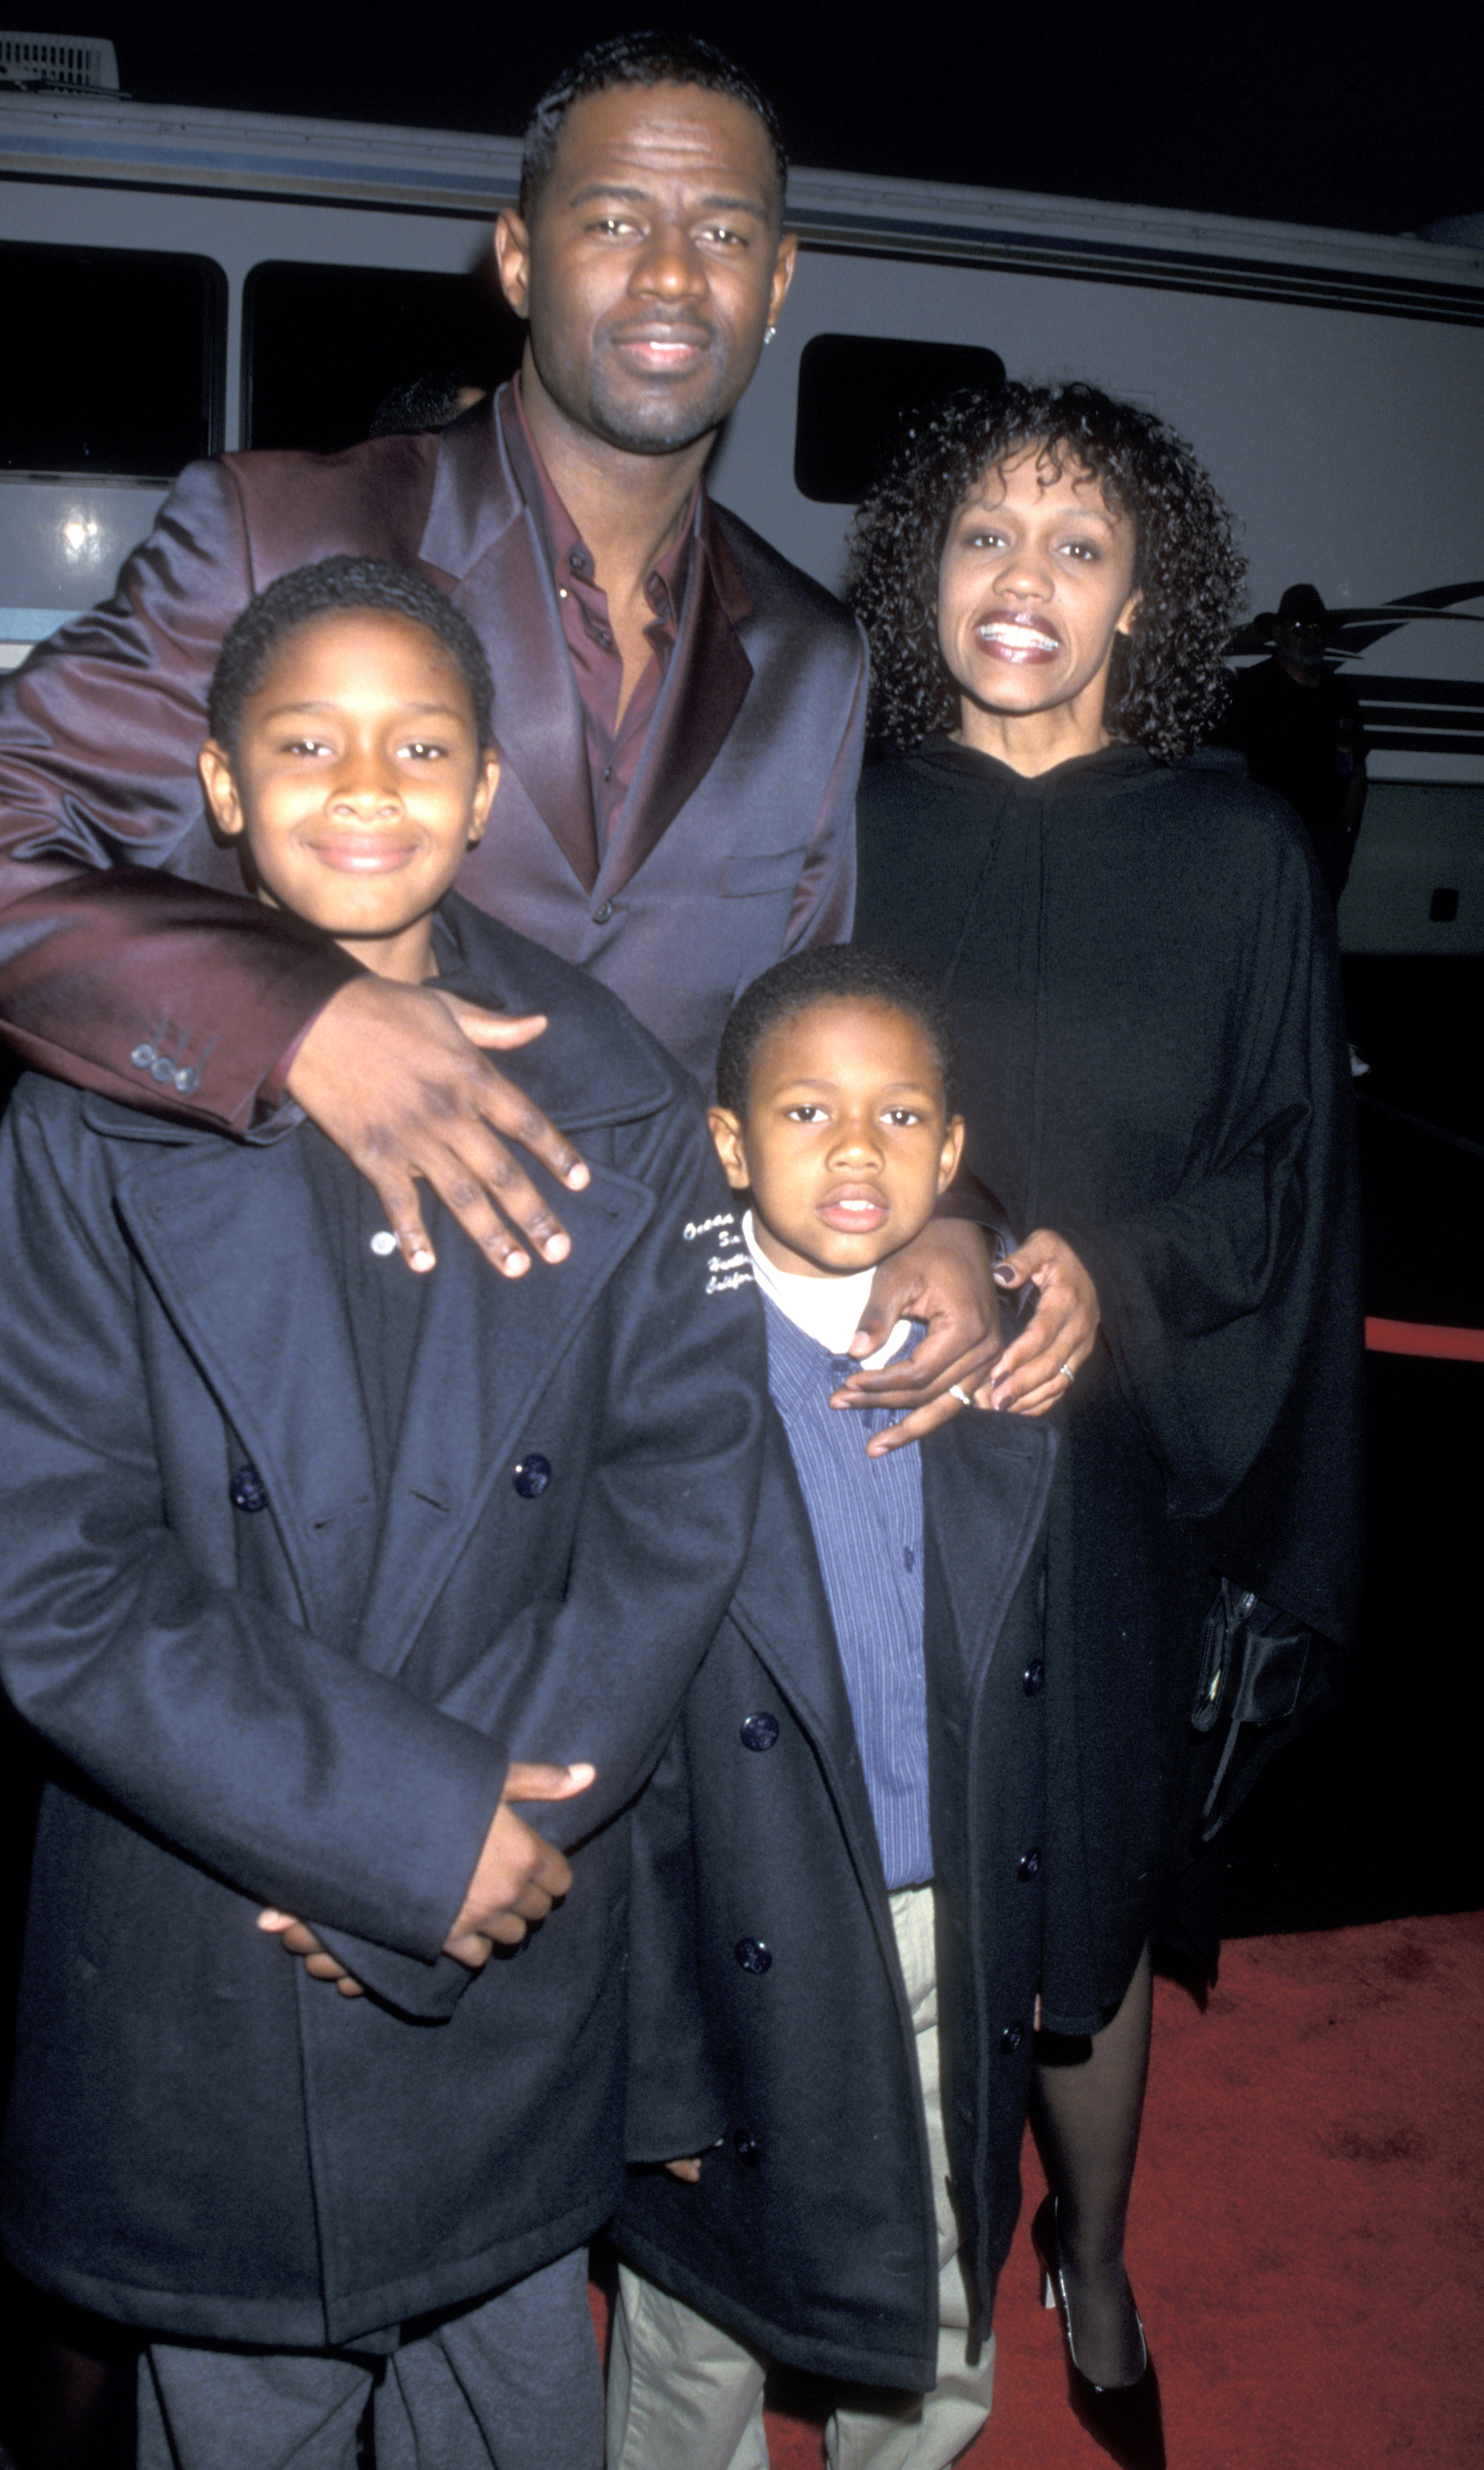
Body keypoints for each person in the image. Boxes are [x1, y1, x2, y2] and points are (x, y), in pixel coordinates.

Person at [0, 31, 1000, 1421]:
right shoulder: (288, 531)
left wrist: (947, 1223)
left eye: (722, 231)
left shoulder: (812, 657)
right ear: (517, 260)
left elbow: (808, 1046)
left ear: (778, 281)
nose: (672, 274)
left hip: (625, 1421)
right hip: (294, 1409)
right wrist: (297, 1015)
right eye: (614, 220)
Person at [0, 555, 766, 2470]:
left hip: (515, 1912)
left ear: (487, 788)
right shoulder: (94, 1107)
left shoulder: (617, 1094)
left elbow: (674, 1486)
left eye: (422, 743)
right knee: (242, 2413)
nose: (368, 783)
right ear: (223, 782)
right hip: (216, 1927)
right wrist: (393, 1831)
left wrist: (483, 1830)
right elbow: (66, 1569)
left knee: (515, 2396)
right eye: (305, 741)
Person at [847, 382, 1361, 2470]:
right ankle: (899, 2245)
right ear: (922, 574)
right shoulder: (843, 816)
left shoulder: (1232, 844)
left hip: (1118, 1459)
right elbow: (775, 1109)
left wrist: (1110, 1281)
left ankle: (1106, 2249)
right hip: (870, 1436)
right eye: (984, 535)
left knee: (1088, 1898)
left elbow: (1285, 1168)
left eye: (1076, 545)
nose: (1024, 583)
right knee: (888, 1876)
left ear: (1147, 595)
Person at [607, 946, 1056, 2470]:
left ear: (952, 1148)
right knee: (704, 2316)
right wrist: (649, 2054)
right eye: (805, 1112)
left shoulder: (998, 1361)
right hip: (745, 1906)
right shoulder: (660, 1379)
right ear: (730, 1145)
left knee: (938, 2275)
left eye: (898, 1116)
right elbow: (624, 1766)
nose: (856, 1150)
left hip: (947, 1919)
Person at [1222, 581, 1368, 907]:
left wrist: (1345, 837)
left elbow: (1355, 770)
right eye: (1300, 628)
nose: (1310, 637)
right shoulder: (1251, 690)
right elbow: (1227, 771)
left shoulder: (1339, 694)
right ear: (1278, 632)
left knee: (1316, 940)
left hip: (1323, 847)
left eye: (1318, 629)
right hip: (1263, 844)